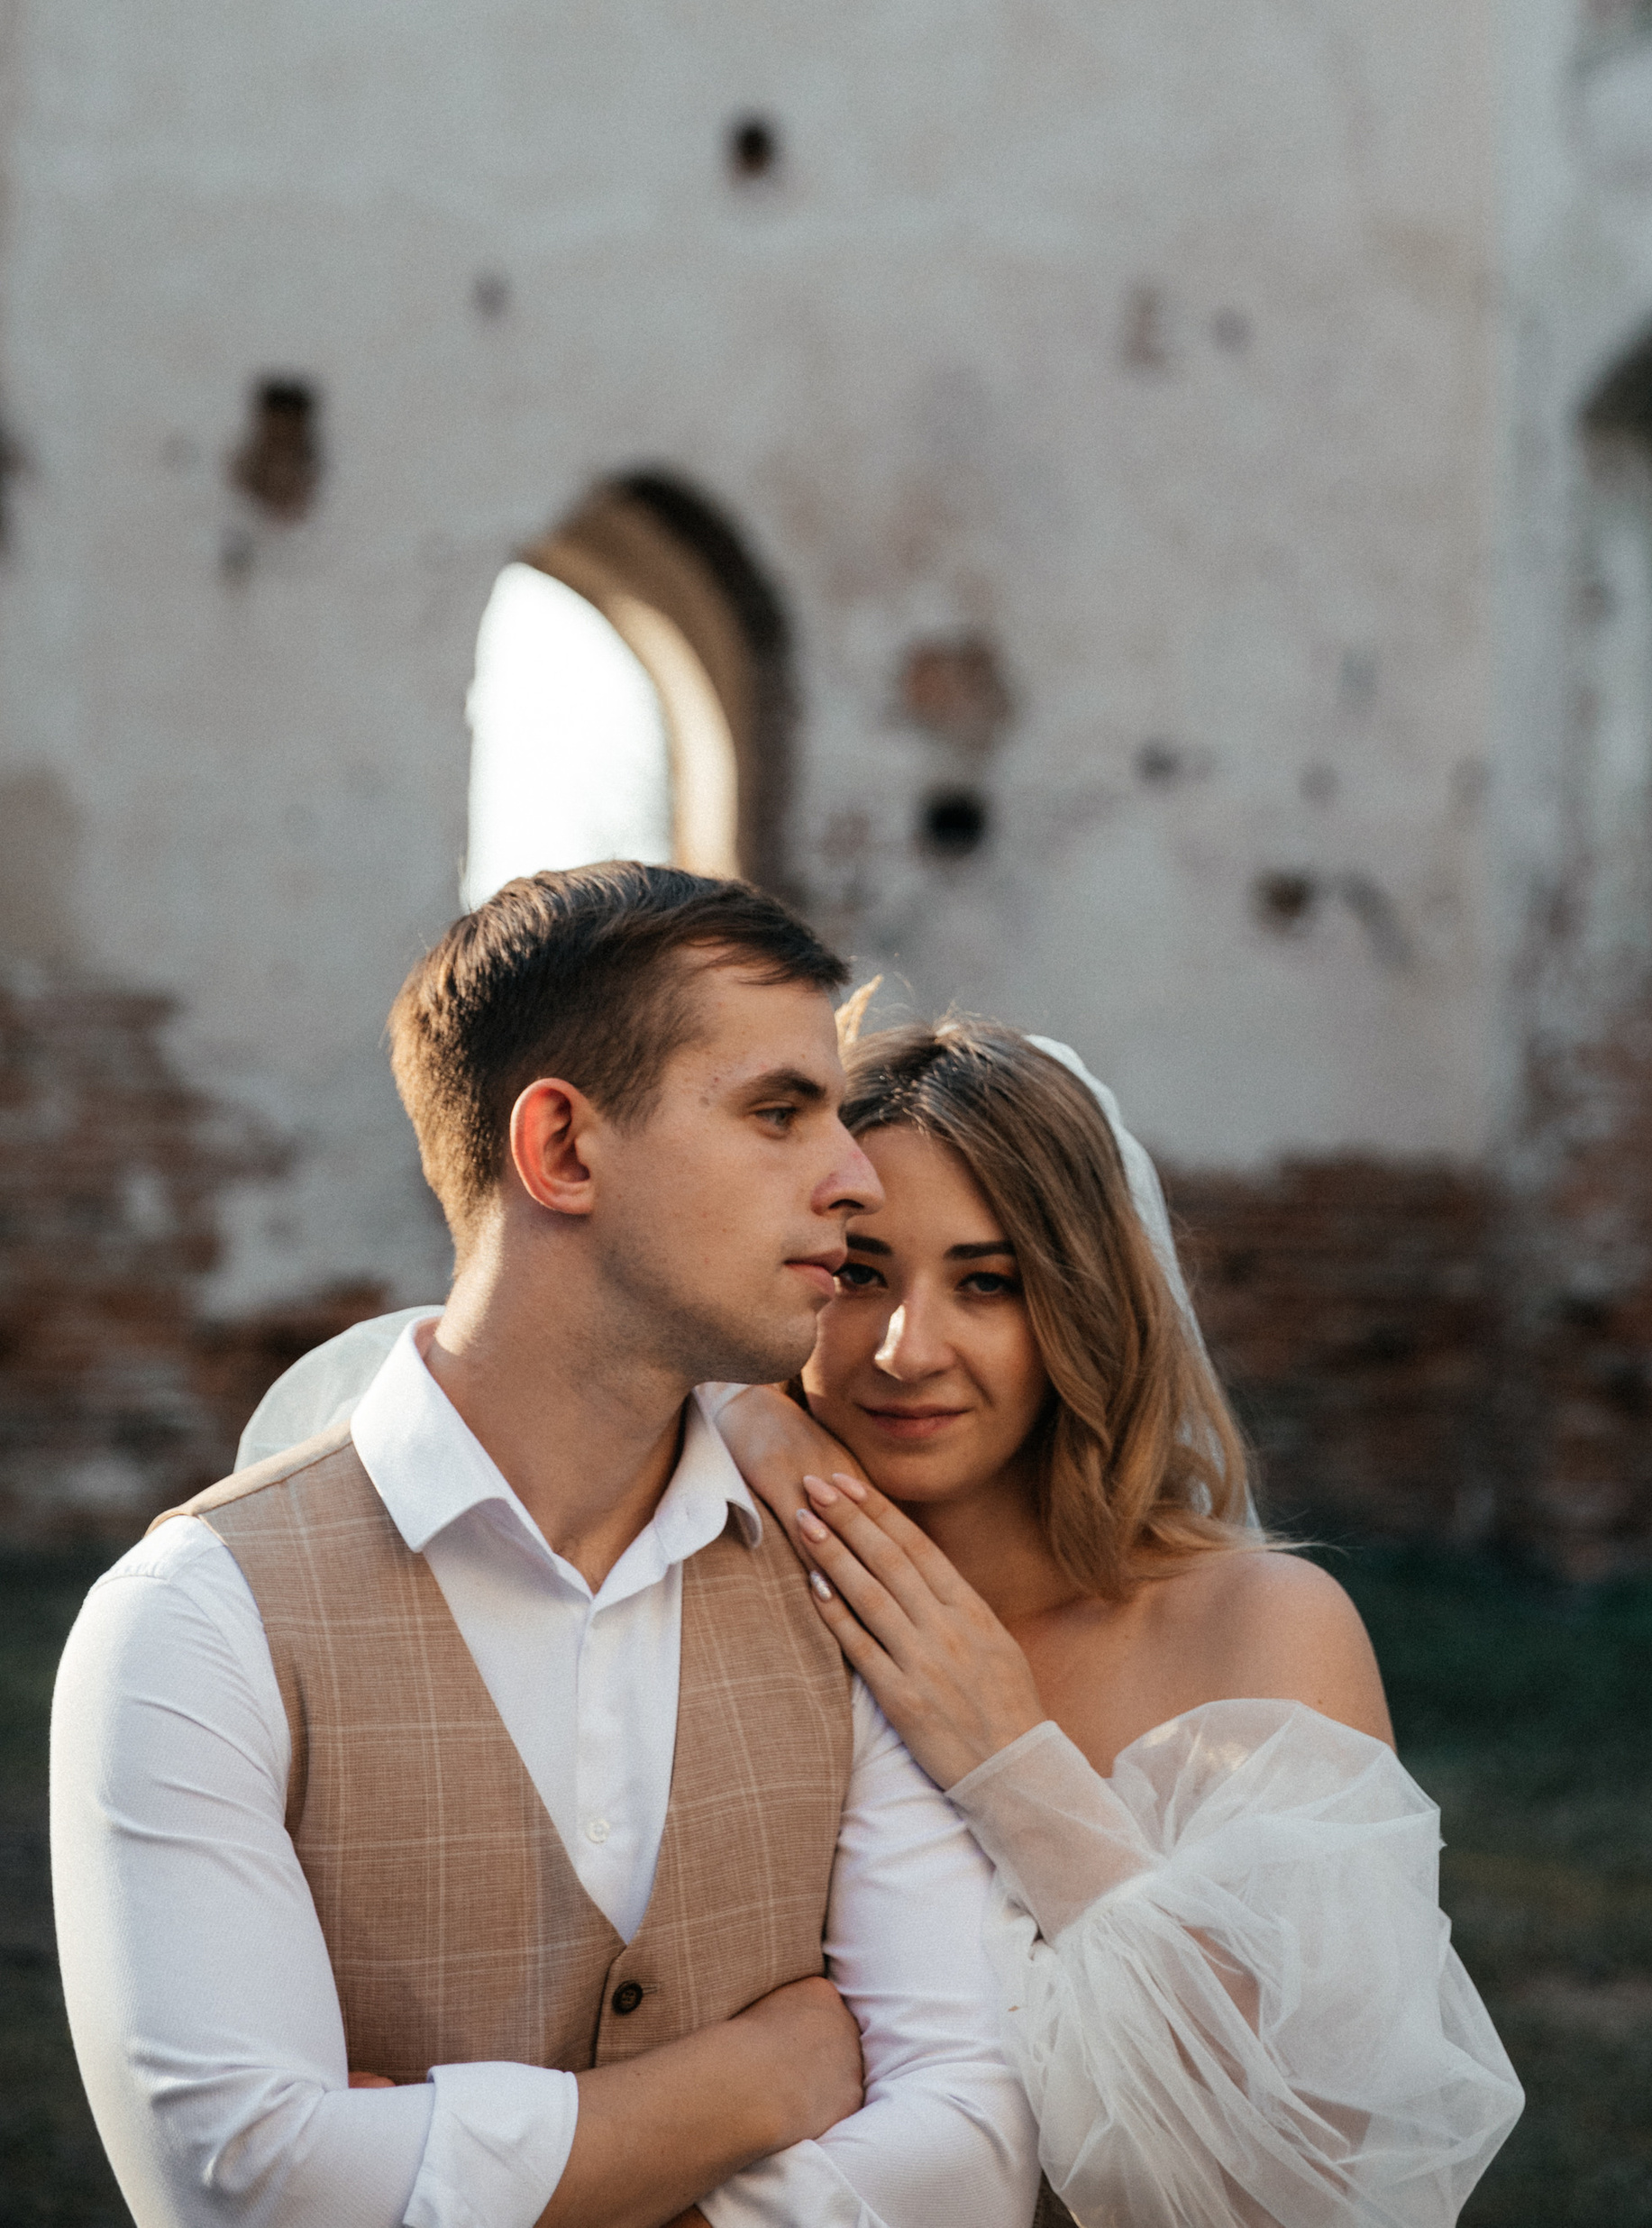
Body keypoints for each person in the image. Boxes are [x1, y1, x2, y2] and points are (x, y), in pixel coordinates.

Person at [50, 866, 1039, 2228]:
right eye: (777, 1113)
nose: (855, 1179)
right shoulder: (196, 1617)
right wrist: (764, 2081)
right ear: (563, 1150)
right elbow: (247, 2188)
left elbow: (976, 2145)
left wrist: (436, 2169)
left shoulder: (841, 1589)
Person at [716, 1012, 1524, 2228]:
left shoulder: (1259, 1629)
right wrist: (724, 1403)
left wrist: (1012, 1764)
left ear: (1082, 1311)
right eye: (858, 1272)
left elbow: (1297, 2177)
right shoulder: (727, 1579)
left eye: (987, 1284)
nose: (903, 1347)